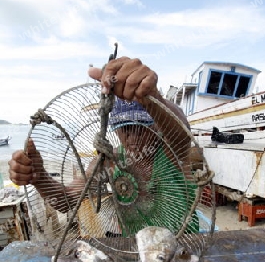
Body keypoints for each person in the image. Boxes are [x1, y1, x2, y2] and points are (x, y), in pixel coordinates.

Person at [8, 57, 199, 235]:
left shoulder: (172, 152)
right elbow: (65, 201)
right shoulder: (110, 161)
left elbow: (181, 131)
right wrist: (39, 177)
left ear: (156, 126)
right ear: (115, 130)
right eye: (125, 129)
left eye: (140, 128)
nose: (133, 137)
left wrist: (153, 96)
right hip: (137, 250)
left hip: (182, 247)